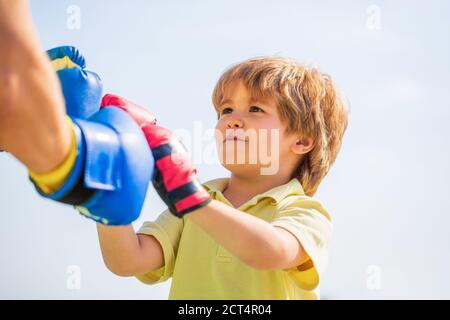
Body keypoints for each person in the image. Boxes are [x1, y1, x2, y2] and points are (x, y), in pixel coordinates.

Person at [0, 0, 348, 299]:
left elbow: (268, 251)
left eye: (255, 110)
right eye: (226, 110)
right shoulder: (201, 199)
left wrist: (191, 200)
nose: (232, 121)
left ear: (302, 141)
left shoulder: (304, 211)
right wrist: (105, 189)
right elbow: (127, 261)